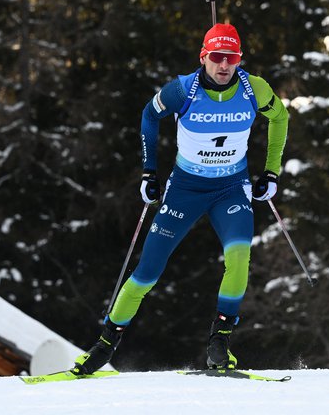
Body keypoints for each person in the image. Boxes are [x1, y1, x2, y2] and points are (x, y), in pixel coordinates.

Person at [72, 23, 289, 374]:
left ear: (239, 59)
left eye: (231, 58)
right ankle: (105, 345)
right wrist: (148, 172)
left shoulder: (254, 89)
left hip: (230, 188)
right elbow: (149, 115)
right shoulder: (182, 91)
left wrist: (271, 172)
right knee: (148, 271)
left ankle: (219, 343)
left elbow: (280, 117)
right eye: (216, 57)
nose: (224, 65)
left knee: (239, 257)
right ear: (203, 57)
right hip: (185, 189)